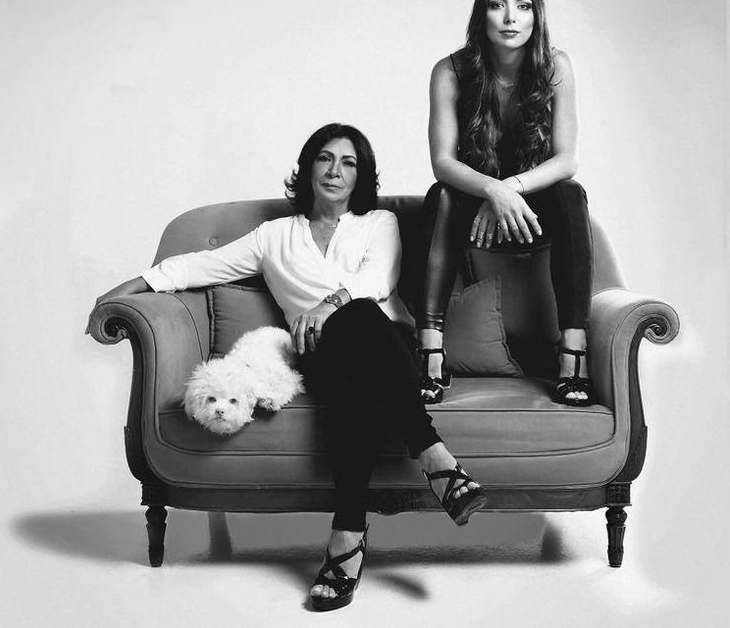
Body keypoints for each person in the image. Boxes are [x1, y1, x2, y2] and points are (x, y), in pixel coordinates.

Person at [91, 123, 487, 612]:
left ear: (360, 176)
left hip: (389, 350)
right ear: (308, 168)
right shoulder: (273, 236)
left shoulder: (378, 222)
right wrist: (125, 289)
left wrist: (327, 306)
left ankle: (348, 539)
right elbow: (199, 266)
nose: (335, 171)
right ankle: (439, 465)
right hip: (321, 356)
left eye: (348, 163)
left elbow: (377, 280)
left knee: (359, 326)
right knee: (349, 352)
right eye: (325, 159)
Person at [418, 0, 594, 407]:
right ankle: (430, 354)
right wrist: (491, 191)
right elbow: (442, 163)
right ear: (483, 15)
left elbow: (566, 159)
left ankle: (573, 358)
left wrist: (509, 188)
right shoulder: (450, 71)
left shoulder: (556, 66)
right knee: (439, 198)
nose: (511, 17)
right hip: (473, 197)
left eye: (523, 5)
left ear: (536, 16)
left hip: (532, 205)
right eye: (498, 5)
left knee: (572, 195)